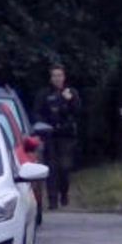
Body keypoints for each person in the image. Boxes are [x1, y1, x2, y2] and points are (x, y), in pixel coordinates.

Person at [33, 64, 81, 209]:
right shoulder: (44, 94)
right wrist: (43, 126)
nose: (57, 78)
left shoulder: (71, 93)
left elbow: (78, 112)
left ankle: (64, 194)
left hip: (66, 136)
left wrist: (70, 100)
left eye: (60, 75)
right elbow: (37, 113)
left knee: (64, 167)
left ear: (64, 77)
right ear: (51, 77)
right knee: (51, 168)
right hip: (50, 135)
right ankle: (52, 200)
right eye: (54, 75)